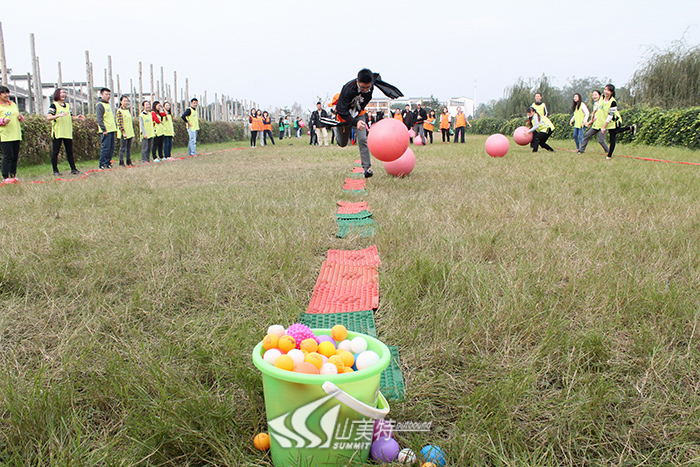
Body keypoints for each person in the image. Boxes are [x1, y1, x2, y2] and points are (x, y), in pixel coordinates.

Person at [329, 68, 403, 178]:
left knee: (363, 139)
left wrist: (358, 119)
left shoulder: (371, 85)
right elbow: (341, 110)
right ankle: (336, 128)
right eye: (362, 87)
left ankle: (367, 168)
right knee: (342, 143)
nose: (365, 90)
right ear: (357, 81)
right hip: (345, 116)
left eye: (367, 87)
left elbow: (376, 78)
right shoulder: (348, 89)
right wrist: (354, 122)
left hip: (359, 114)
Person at [47, 88, 84, 175]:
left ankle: (73, 169)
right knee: (55, 152)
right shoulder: (54, 105)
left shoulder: (67, 105)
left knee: (69, 151)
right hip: (58, 132)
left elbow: (70, 117)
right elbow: (49, 117)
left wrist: (77, 117)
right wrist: (58, 115)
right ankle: (55, 171)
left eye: (64, 93)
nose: (63, 94)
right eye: (61, 93)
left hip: (67, 132)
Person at [599, 84, 636, 159]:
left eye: (608, 90)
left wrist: (604, 127)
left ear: (611, 92)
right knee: (617, 131)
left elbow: (610, 116)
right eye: (605, 89)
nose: (606, 91)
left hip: (614, 121)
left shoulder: (613, 102)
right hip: (606, 120)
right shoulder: (602, 97)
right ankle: (630, 128)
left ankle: (609, 155)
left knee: (612, 136)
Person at [0, 85, 23, 180]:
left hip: (16, 134)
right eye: (4, 93)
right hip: (5, 135)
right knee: (8, 156)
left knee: (14, 156)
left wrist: (20, 117)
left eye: (7, 93)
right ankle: (5, 176)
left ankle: (13, 175)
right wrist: (2, 121)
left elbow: (18, 116)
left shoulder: (13, 104)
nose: (6, 95)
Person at [578, 90, 608, 155]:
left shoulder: (602, 103)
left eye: (596, 95)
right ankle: (582, 150)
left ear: (599, 96)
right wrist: (590, 122)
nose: (594, 96)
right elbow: (595, 115)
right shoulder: (595, 104)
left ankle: (608, 151)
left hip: (603, 125)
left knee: (601, 140)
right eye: (593, 95)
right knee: (587, 135)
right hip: (596, 125)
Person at [96, 88, 116, 169]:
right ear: (101, 95)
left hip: (112, 129)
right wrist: (104, 129)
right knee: (106, 148)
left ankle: (108, 162)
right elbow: (99, 118)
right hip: (106, 130)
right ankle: (102, 163)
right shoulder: (100, 105)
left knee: (111, 148)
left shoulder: (107, 104)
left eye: (109, 94)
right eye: (106, 94)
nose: (108, 96)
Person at [115, 95, 134, 167]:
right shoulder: (120, 111)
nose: (126, 102)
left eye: (127, 101)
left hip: (129, 132)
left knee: (129, 148)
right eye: (124, 101)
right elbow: (120, 122)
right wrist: (123, 132)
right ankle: (121, 162)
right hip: (124, 133)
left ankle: (128, 161)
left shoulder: (127, 110)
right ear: (121, 102)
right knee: (123, 148)